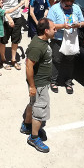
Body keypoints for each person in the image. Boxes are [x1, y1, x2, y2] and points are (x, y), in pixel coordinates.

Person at [21, 18, 55, 153]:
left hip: (40, 83)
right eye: (53, 28)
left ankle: (26, 125)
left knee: (33, 104)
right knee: (40, 111)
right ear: (46, 31)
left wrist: (65, 25)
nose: (55, 30)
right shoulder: (38, 46)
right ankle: (34, 137)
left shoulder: (41, 39)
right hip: (39, 84)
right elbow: (29, 66)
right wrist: (32, 87)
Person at [47, 0, 84, 94]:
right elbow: (51, 25)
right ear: (61, 2)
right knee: (56, 61)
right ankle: (53, 81)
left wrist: (78, 25)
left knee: (69, 61)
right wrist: (63, 26)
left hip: (71, 39)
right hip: (58, 39)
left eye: (70, 6)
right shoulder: (54, 9)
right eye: (66, 6)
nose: (68, 7)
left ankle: (68, 82)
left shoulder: (76, 8)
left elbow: (83, 22)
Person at [0, 0, 27, 70]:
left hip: (17, 16)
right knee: (4, 39)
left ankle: (13, 60)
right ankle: (3, 60)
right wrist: (8, 17)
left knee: (16, 39)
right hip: (6, 17)